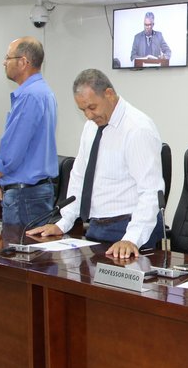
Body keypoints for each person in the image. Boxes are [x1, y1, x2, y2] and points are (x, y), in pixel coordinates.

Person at [27, 69, 164, 259]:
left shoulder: (137, 128)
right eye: (83, 110)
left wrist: (131, 239)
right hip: (96, 227)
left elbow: (151, 191)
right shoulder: (91, 127)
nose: (89, 115)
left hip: (129, 229)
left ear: (109, 94)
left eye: (92, 107)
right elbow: (80, 176)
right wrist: (63, 223)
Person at [0, 37, 58, 227]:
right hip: (35, 192)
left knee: (18, 245)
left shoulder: (29, 96)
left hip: (24, 196)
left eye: (8, 58)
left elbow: (12, 153)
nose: (4, 62)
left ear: (23, 62)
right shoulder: (44, 92)